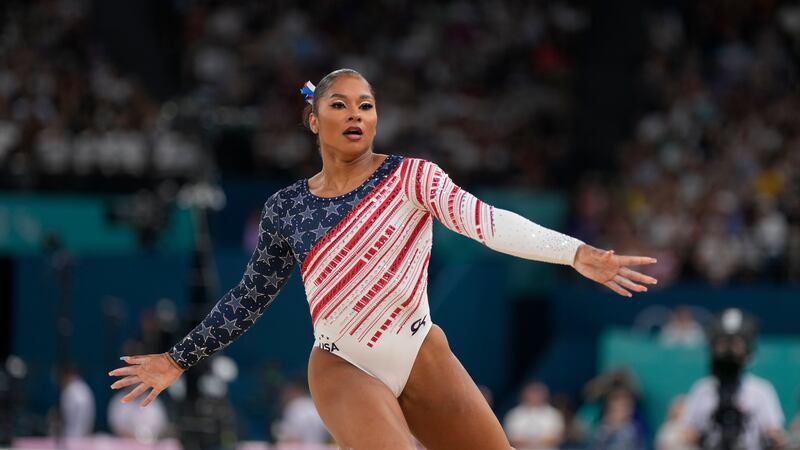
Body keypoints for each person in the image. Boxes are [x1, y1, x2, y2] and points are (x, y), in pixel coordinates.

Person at [109, 68, 658, 450]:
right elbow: (248, 299)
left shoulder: (412, 177)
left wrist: (574, 253)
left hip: (422, 351)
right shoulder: (288, 209)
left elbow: (487, 224)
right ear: (313, 121)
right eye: (339, 105)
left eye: (366, 105)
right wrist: (178, 358)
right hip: (344, 365)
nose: (355, 114)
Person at [681, 308, 785, 450]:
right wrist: (703, 435)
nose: (729, 352)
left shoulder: (761, 390)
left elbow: (774, 431)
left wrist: (773, 439)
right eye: (723, 345)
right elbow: (688, 431)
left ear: (748, 351)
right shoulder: (703, 389)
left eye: (735, 345)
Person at [503, 381, 564, 449]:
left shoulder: (554, 414)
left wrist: (530, 440)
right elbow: (511, 438)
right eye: (532, 393)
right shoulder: (514, 414)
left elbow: (556, 437)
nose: (535, 396)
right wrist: (538, 440)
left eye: (538, 393)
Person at [272, 378, 329, 444]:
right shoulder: (314, 405)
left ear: (297, 390)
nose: (286, 395)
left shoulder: (294, 406)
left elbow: (292, 436)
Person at [57, 364, 95, 438]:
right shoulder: (82, 387)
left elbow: (67, 417)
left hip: (74, 436)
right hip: (80, 436)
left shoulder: (71, 390)